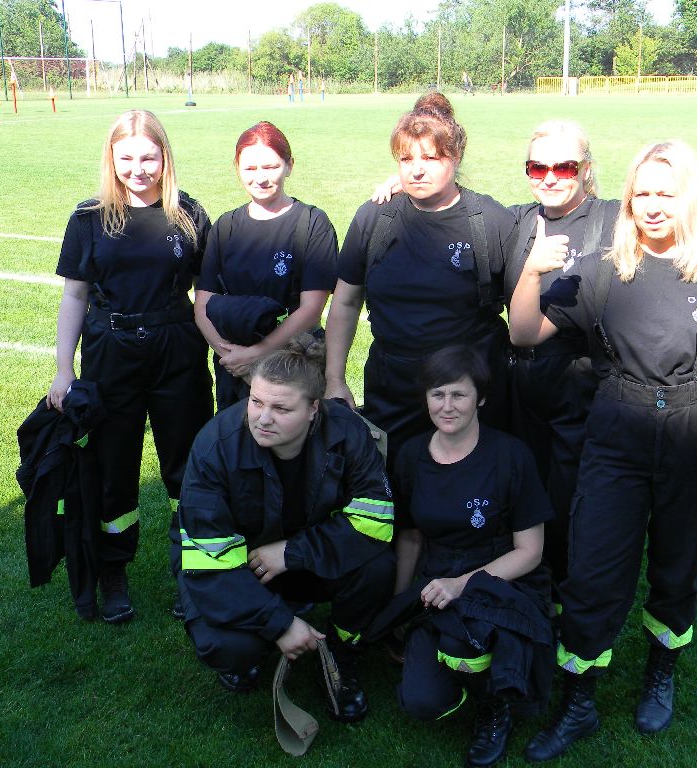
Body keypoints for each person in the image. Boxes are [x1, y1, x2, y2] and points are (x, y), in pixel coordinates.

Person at [372, 121, 697, 594]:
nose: (550, 177)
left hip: (582, 387)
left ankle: (566, 591)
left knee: (574, 498)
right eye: (538, 167)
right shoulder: (517, 221)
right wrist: (410, 184)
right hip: (517, 384)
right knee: (518, 488)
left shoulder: (611, 217)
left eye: (565, 167)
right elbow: (457, 211)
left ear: (586, 170)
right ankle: (521, 584)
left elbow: (671, 228)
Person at [511, 140, 697, 761]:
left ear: (689, 198)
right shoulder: (606, 268)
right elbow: (522, 333)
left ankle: (660, 671)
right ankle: (578, 703)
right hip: (616, 428)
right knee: (594, 569)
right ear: (628, 199)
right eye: (642, 193)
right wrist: (531, 273)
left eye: (666, 194)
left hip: (693, 433)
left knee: (679, 567)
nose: (653, 206)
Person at [171, 335, 396, 722]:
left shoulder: (348, 432)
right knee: (229, 647)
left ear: (313, 409)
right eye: (256, 401)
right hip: (235, 567)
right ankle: (255, 643)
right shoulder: (215, 445)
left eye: (281, 408)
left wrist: (293, 552)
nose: (262, 417)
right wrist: (280, 625)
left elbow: (375, 522)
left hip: (303, 558)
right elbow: (209, 560)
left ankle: (340, 654)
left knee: (378, 568)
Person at [46, 109, 213, 624]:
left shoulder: (188, 214)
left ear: (165, 157)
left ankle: (194, 572)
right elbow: (74, 296)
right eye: (127, 158)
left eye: (149, 157)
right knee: (113, 467)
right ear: (112, 158)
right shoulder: (90, 217)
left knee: (187, 464)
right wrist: (63, 368)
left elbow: (207, 293)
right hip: (110, 351)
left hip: (176, 348)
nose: (138, 169)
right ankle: (113, 569)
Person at [325, 92, 517, 468]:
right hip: (393, 388)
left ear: (456, 157)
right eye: (406, 159)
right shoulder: (374, 218)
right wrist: (335, 379)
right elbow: (345, 302)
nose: (416, 170)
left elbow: (522, 312)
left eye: (430, 158)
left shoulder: (490, 221)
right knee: (395, 486)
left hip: (468, 390)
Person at [386, 346, 554, 768]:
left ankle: (495, 705)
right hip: (437, 574)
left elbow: (530, 552)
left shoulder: (511, 456)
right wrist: (399, 606)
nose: (447, 406)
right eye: (437, 394)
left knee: (468, 641)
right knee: (422, 701)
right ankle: (461, 673)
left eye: (459, 395)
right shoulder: (410, 456)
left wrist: (462, 584)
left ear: (480, 398)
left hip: (503, 576)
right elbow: (410, 538)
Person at [194, 121, 337, 411]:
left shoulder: (311, 224)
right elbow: (202, 305)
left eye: (271, 167)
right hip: (232, 367)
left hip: (293, 365)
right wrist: (231, 356)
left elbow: (311, 309)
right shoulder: (225, 227)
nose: (260, 178)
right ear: (237, 168)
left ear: (289, 165)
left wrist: (257, 354)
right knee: (235, 436)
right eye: (250, 168)